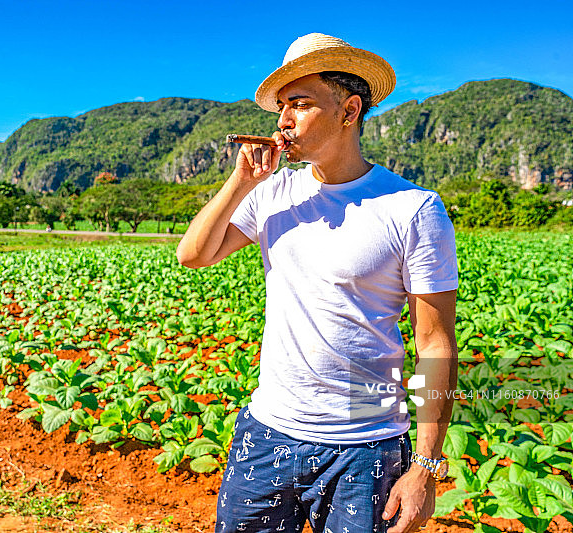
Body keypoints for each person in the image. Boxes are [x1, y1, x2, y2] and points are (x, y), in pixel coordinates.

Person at [177, 33, 458, 533]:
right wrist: (242, 181)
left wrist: (426, 467)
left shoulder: (413, 208)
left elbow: (435, 344)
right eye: (281, 107)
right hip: (268, 431)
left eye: (300, 104)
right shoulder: (274, 193)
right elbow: (193, 254)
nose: (283, 121)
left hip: (366, 444)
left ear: (349, 111)